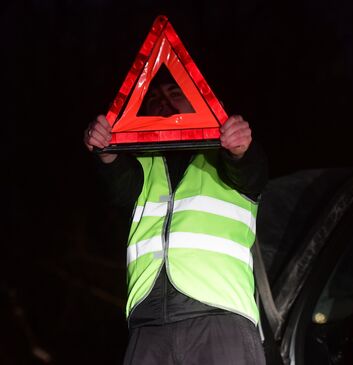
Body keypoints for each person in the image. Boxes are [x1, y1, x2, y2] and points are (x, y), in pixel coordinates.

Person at [83, 75, 268, 364]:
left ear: (202, 100)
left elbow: (250, 171)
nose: (165, 102)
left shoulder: (224, 157)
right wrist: (106, 150)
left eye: (174, 91)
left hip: (219, 320)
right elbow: (120, 185)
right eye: (155, 98)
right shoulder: (144, 164)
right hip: (149, 326)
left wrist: (240, 149)